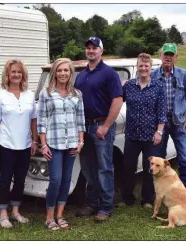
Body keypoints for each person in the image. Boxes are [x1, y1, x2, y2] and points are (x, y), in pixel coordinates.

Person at [74, 37, 123, 222]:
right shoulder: (81, 75)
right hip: (84, 127)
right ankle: (92, 203)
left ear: (101, 51)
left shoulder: (109, 74)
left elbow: (117, 100)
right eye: (88, 48)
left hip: (101, 125)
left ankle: (105, 207)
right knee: (87, 167)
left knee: (104, 168)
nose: (91, 51)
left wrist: (106, 126)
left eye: (95, 48)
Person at [37, 58, 86, 230]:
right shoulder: (46, 93)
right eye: (59, 70)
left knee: (66, 181)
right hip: (54, 144)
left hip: (72, 143)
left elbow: (81, 120)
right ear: (55, 73)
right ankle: (49, 217)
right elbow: (41, 120)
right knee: (55, 180)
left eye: (66, 70)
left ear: (71, 73)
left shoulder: (77, 94)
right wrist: (43, 144)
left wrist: (80, 141)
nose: (63, 73)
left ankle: (60, 214)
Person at [0, 59, 38, 228]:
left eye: (19, 72)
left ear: (23, 75)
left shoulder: (29, 95)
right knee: (5, 180)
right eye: (13, 72)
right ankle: (3, 213)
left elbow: (33, 120)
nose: (16, 75)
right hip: (6, 144)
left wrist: (34, 140)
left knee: (20, 180)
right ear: (7, 75)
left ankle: (15, 211)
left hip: (25, 145)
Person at [151, 43, 186, 193]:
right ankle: (161, 192)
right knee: (159, 160)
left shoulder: (183, 75)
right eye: (166, 54)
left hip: (179, 122)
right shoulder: (152, 75)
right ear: (161, 56)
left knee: (185, 159)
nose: (168, 57)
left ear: (176, 57)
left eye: (171, 55)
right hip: (160, 124)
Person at [120, 53, 167, 208]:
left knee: (150, 168)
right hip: (132, 134)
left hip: (150, 136)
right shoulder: (129, 86)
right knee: (128, 167)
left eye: (146, 66)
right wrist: (119, 85)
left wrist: (159, 132)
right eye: (141, 65)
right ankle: (127, 198)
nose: (143, 68)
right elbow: (118, 99)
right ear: (137, 67)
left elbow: (162, 112)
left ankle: (147, 199)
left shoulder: (158, 87)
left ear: (150, 67)